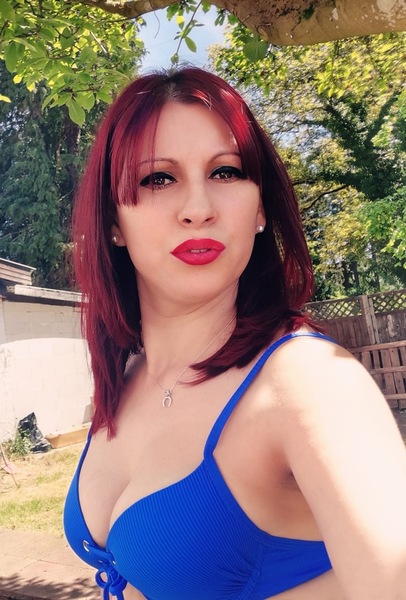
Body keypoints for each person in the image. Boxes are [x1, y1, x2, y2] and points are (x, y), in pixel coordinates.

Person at [63, 67, 406, 600]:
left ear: (261, 207)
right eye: (158, 179)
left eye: (225, 172)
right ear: (112, 221)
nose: (199, 209)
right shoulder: (128, 373)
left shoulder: (309, 382)